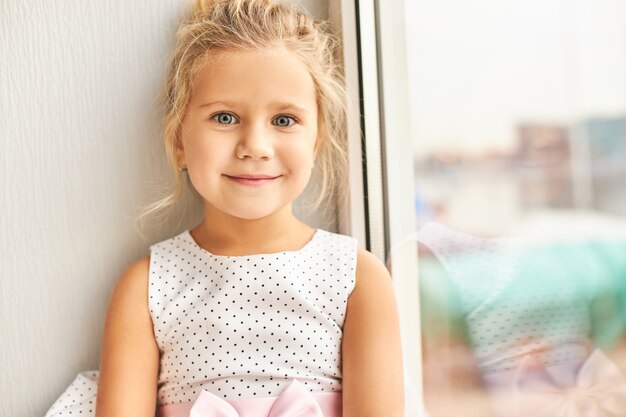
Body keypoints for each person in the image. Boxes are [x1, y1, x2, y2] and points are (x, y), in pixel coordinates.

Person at [43, 1, 404, 416]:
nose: (255, 147)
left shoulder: (356, 277)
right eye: (226, 117)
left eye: (284, 120)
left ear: (316, 140)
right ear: (179, 138)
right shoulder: (145, 288)